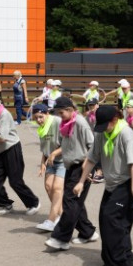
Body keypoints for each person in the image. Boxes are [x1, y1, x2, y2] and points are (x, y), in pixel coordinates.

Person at [78, 105, 133, 266]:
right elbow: (92, 158)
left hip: (129, 179)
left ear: (115, 120)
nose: (101, 130)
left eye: (105, 125)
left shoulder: (126, 134)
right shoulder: (102, 133)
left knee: (112, 219)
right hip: (112, 182)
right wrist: (80, 181)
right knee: (107, 218)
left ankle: (114, 262)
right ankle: (126, 257)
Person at [0, 92, 41, 216]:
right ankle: (6, 204)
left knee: (15, 181)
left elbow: (2, 137)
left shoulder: (4, 114)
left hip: (11, 148)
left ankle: (33, 203)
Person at [46, 96, 97, 250]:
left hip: (82, 165)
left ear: (70, 110)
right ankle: (88, 232)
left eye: (61, 113)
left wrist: (88, 169)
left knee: (70, 201)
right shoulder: (66, 123)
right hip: (71, 165)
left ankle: (61, 238)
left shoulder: (80, 123)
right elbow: (67, 146)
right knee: (75, 202)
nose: (59, 116)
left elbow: (93, 146)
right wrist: (55, 153)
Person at [31, 102, 64, 232]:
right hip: (50, 160)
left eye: (40, 116)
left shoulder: (57, 123)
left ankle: (53, 219)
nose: (38, 120)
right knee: (48, 186)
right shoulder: (42, 128)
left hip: (63, 160)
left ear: (47, 114)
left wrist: (55, 153)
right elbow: (45, 149)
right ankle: (60, 215)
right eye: (36, 118)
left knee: (57, 188)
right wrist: (42, 164)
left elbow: (67, 144)